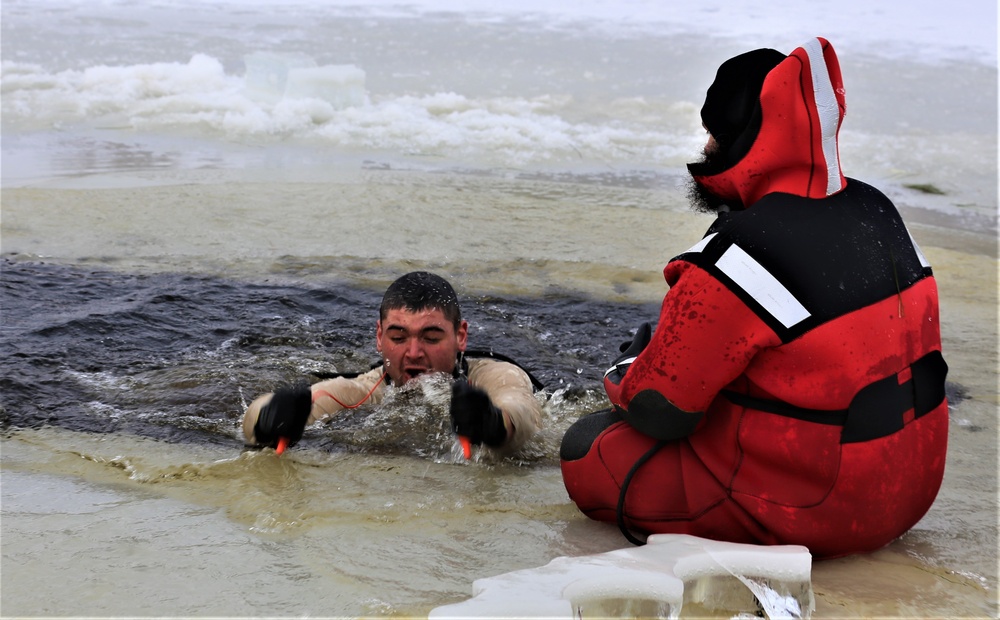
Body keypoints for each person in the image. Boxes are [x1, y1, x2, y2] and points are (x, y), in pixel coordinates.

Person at [559, 37, 948, 559]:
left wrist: (626, 367)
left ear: (747, 138)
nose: (705, 151)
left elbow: (661, 412)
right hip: (913, 491)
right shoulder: (877, 208)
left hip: (821, 508)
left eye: (713, 136)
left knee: (588, 447)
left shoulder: (738, 253)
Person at [243, 271, 543, 455]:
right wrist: (269, 418)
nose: (413, 352)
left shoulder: (493, 374)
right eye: (398, 338)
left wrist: (493, 424)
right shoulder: (365, 389)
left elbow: (520, 409)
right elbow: (311, 400)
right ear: (379, 337)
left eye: (431, 337)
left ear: (460, 336)